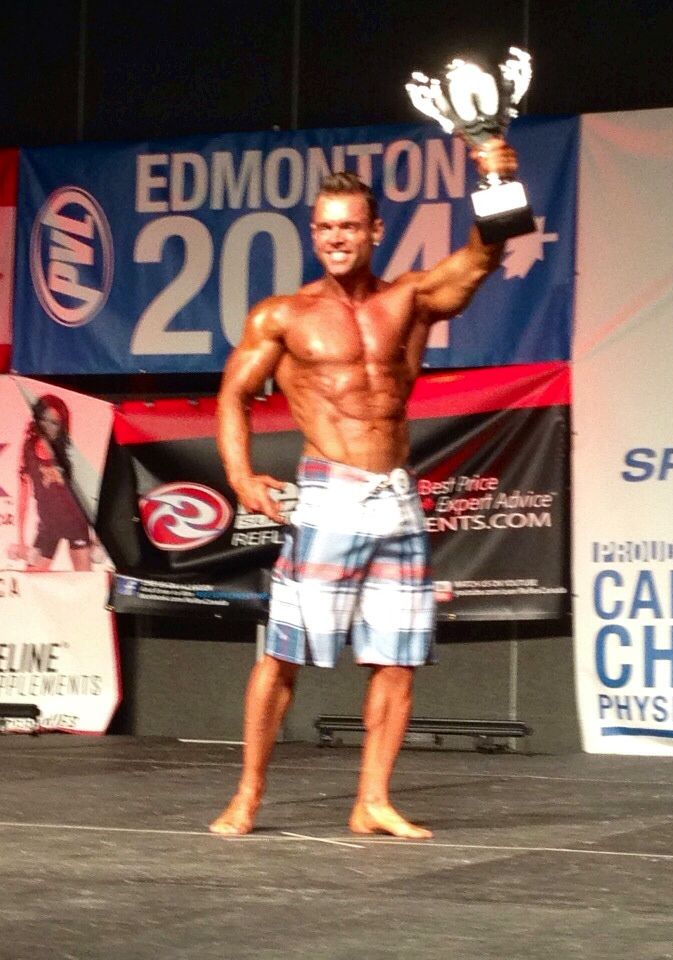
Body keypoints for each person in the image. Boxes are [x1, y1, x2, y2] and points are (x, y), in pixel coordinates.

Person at [211, 138, 518, 839]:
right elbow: (232, 395)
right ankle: (248, 795)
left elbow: (482, 256)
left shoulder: (410, 299)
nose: (336, 238)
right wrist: (239, 476)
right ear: (312, 233)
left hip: (396, 496)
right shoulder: (282, 315)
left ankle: (372, 799)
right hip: (328, 494)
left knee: (398, 658)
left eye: (349, 226)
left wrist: (500, 176)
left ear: (375, 231)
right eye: (324, 227)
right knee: (283, 654)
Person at [14, 394, 92, 572]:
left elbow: (85, 496)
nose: (48, 427)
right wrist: (20, 539)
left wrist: (95, 536)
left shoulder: (69, 452)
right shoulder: (29, 451)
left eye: (55, 422)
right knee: (31, 579)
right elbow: (23, 496)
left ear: (62, 425)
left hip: (76, 523)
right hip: (48, 525)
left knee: (84, 581)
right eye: (44, 420)